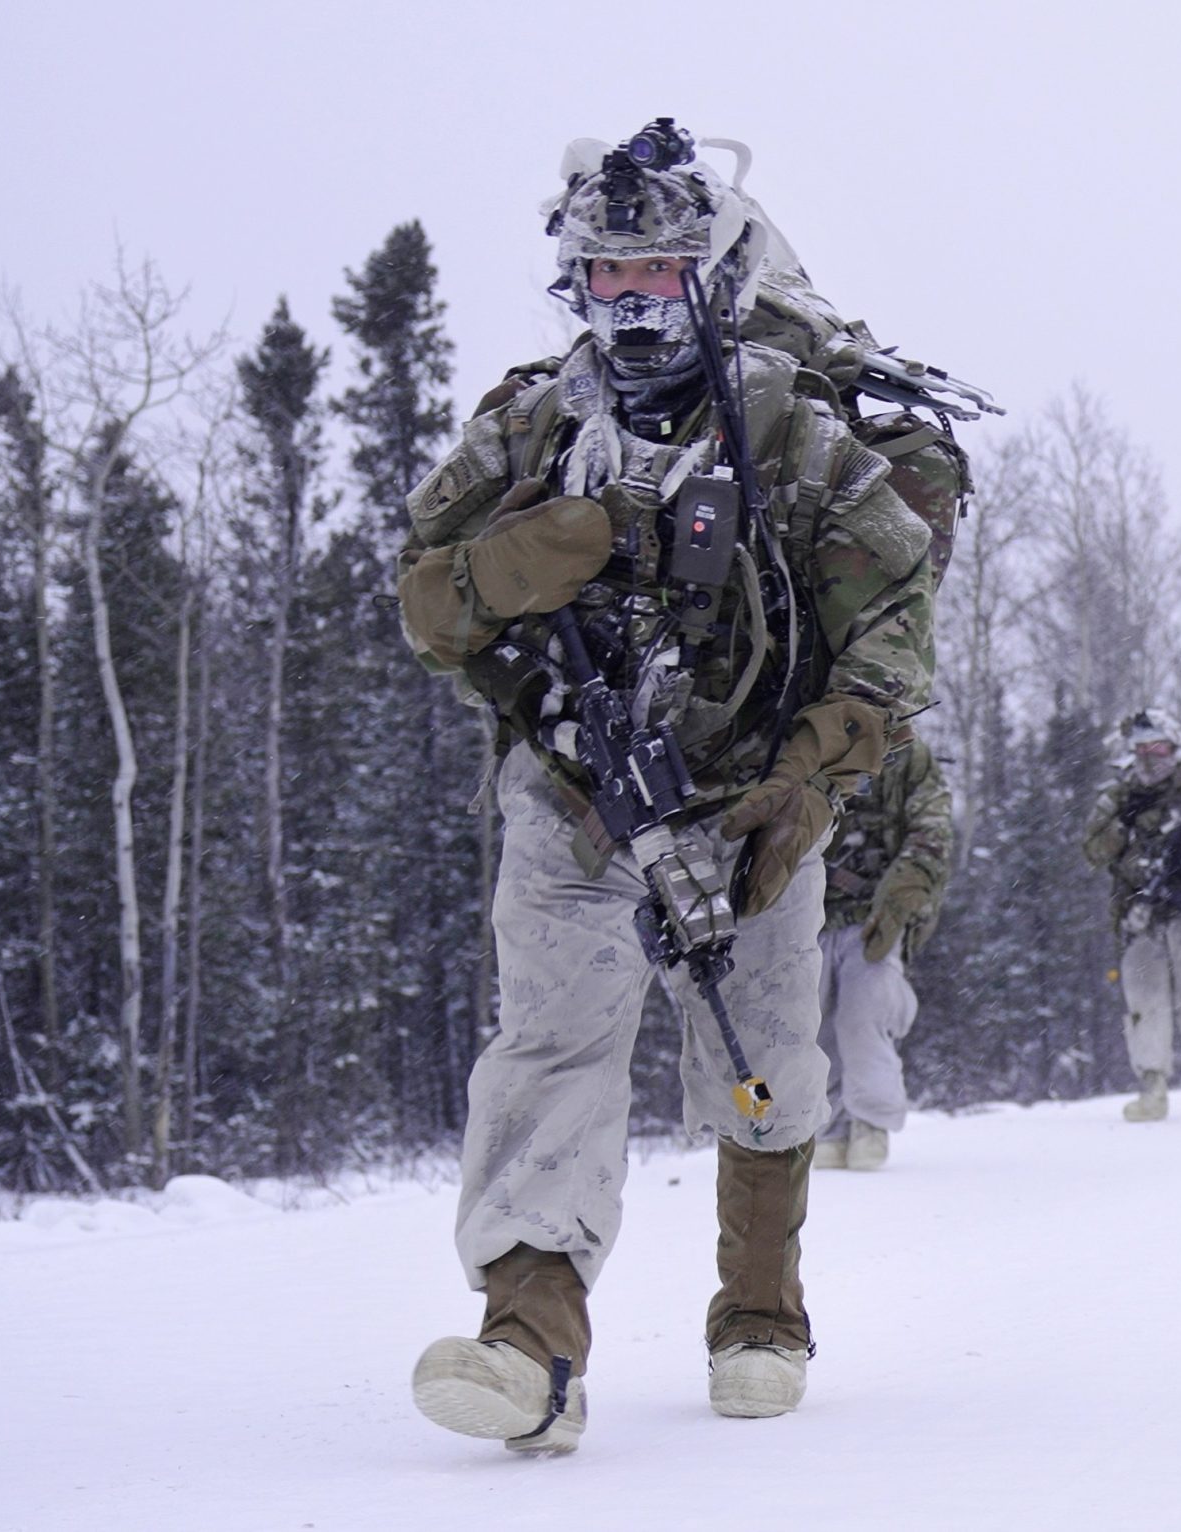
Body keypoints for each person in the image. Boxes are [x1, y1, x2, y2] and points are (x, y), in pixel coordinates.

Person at [392, 124, 938, 1451]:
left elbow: (895, 622)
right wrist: (546, 551)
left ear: (709, 275)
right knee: (552, 1050)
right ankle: (530, 1338)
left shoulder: (791, 437)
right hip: (574, 792)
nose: (635, 309)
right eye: (609, 281)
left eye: (659, 277)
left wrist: (812, 776)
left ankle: (760, 1312)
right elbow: (425, 594)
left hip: (757, 800)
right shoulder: (530, 426)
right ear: (575, 286)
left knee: (763, 1054)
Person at [1082, 709, 1181, 1121]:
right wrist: (1124, 831)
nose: (1150, 757)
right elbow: (1091, 849)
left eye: (1159, 748)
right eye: (1142, 749)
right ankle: (1152, 1085)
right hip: (1138, 908)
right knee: (1144, 1000)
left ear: (1174, 749)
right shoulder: (1118, 797)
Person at [812, 738, 954, 1171]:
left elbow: (933, 830)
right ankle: (827, 1126)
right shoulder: (809, 741)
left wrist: (899, 899)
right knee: (809, 1023)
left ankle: (869, 1123)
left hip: (877, 912)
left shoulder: (908, 758)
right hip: (808, 911)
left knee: (863, 1013)